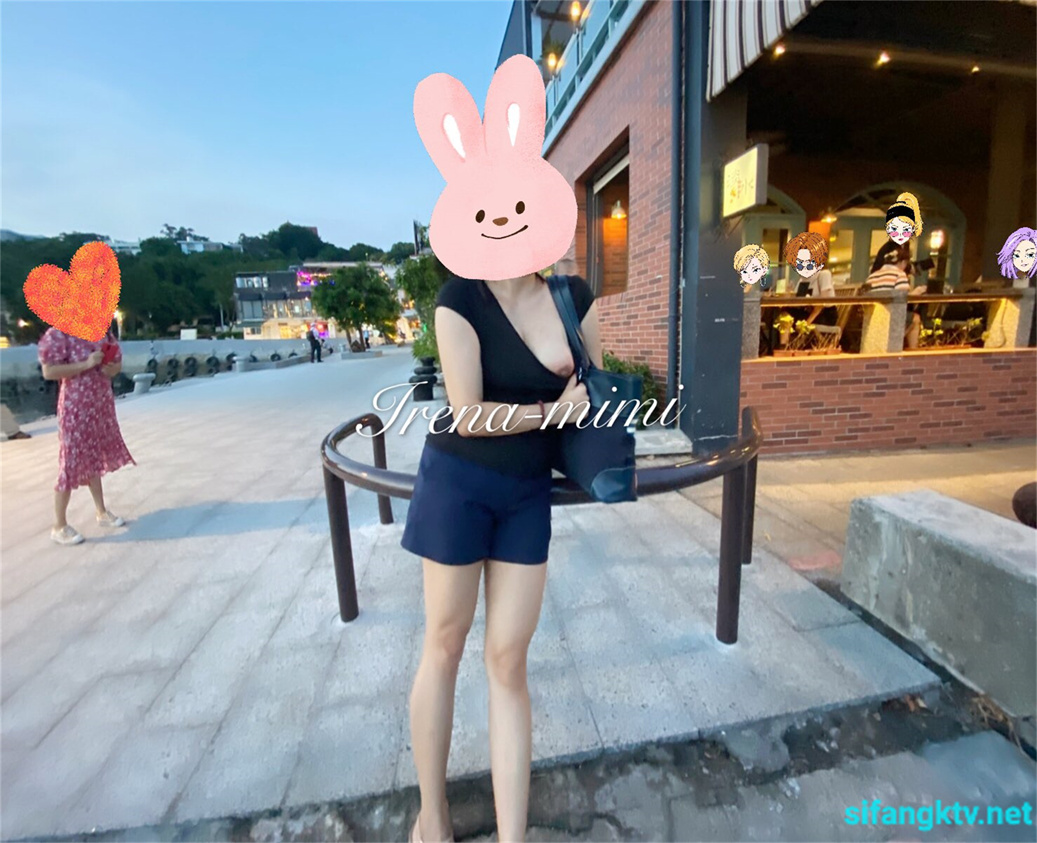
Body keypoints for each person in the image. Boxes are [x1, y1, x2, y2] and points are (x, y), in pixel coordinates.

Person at [400, 270, 598, 843]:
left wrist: (586, 408)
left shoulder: (572, 297)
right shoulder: (460, 298)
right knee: (444, 644)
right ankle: (433, 819)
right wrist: (550, 412)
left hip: (526, 494)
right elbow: (468, 415)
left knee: (509, 662)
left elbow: (593, 393)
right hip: (456, 483)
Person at [37, 319, 135, 545]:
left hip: (100, 405)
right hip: (75, 407)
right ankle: (59, 525)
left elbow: (117, 364)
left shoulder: (101, 331)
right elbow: (49, 371)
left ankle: (101, 511)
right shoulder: (59, 333)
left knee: (94, 457)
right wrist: (86, 364)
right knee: (69, 461)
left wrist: (111, 368)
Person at [862, 241, 924, 348]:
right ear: (903, 262)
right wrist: (917, 292)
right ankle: (912, 350)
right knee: (915, 318)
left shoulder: (872, 276)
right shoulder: (899, 275)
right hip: (890, 318)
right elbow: (903, 298)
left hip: (873, 320)